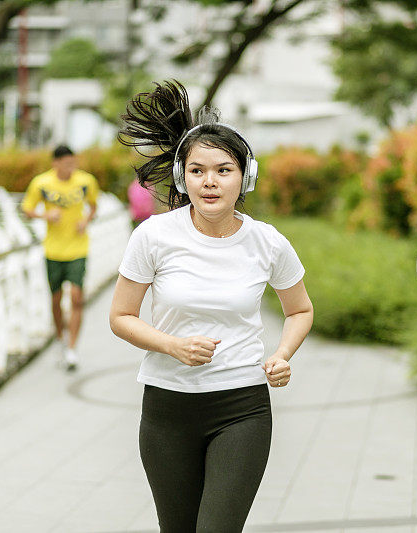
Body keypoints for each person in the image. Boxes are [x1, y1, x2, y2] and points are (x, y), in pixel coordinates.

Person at [109, 80, 314, 532]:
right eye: (198, 171)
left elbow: (300, 310)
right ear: (183, 177)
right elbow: (120, 317)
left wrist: (282, 354)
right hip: (167, 411)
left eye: (223, 170)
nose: (210, 181)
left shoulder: (267, 242)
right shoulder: (154, 236)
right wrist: (171, 346)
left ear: (245, 177)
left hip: (242, 409)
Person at [22, 144, 99, 371]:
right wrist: (44, 214)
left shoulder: (86, 182)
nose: (70, 167)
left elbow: (94, 207)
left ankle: (72, 349)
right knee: (56, 300)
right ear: (55, 163)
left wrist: (86, 220)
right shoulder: (41, 183)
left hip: (78, 248)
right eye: (65, 163)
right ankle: (60, 339)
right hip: (53, 250)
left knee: (76, 297)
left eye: (72, 163)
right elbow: (26, 209)